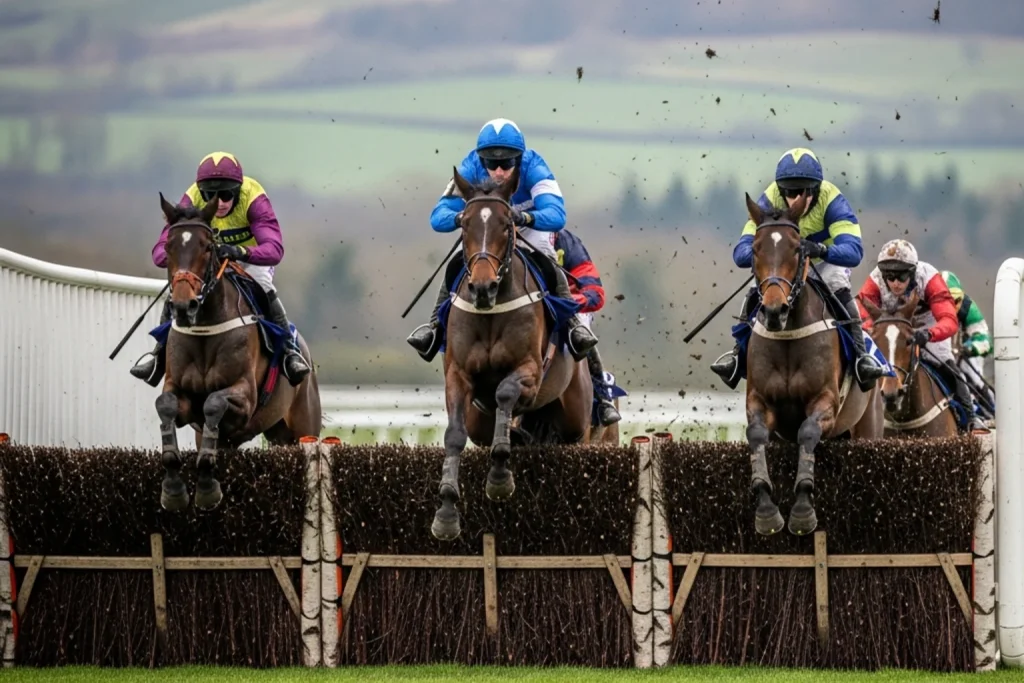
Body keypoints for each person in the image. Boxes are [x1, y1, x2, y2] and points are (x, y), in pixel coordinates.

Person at [406, 118, 599, 363]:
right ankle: (434, 328)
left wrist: (525, 217)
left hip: (528, 227)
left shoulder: (535, 168)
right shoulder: (469, 168)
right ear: (480, 159)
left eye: (507, 163)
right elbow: (438, 217)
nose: (498, 171)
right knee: (461, 261)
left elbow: (557, 215)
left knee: (545, 254)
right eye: (491, 163)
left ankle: (573, 327)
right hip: (488, 229)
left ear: (519, 158)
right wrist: (464, 217)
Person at [709, 147, 887, 390]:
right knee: (755, 289)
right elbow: (741, 252)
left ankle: (861, 358)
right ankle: (737, 356)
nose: (795, 199)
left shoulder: (832, 201)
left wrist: (821, 250)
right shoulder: (769, 199)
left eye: (803, 191)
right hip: (785, 265)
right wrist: (763, 255)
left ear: (816, 188)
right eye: (789, 192)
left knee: (838, 286)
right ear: (781, 189)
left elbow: (854, 251)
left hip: (824, 261)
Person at [130, 151, 311, 386]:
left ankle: (289, 351)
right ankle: (158, 355)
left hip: (250, 260)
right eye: (211, 195)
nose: (221, 202)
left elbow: (274, 250)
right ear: (200, 192)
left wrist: (241, 252)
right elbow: (159, 253)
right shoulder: (191, 199)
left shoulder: (253, 197)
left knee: (264, 285)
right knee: (180, 289)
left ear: (238, 190)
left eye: (226, 195)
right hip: (208, 261)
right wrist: (183, 257)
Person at [856, 240, 981, 431]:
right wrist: (871, 329)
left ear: (912, 272)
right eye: (889, 276)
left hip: (928, 322)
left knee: (945, 360)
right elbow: (860, 309)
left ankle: (970, 419)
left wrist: (929, 335)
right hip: (891, 325)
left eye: (901, 276)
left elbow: (949, 320)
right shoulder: (875, 280)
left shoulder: (929, 278)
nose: (895, 283)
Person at [553, 228, 622, 425]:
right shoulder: (504, 237)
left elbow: (595, 292)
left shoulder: (566, 242)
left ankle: (601, 397)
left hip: (568, 307)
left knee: (580, 333)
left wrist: (572, 301)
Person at [941, 269, 995, 415]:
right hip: (935, 353)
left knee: (972, 374)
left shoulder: (968, 307)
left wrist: (969, 348)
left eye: (956, 300)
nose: (951, 307)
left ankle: (992, 411)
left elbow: (985, 341)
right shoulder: (923, 305)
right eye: (944, 301)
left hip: (961, 356)